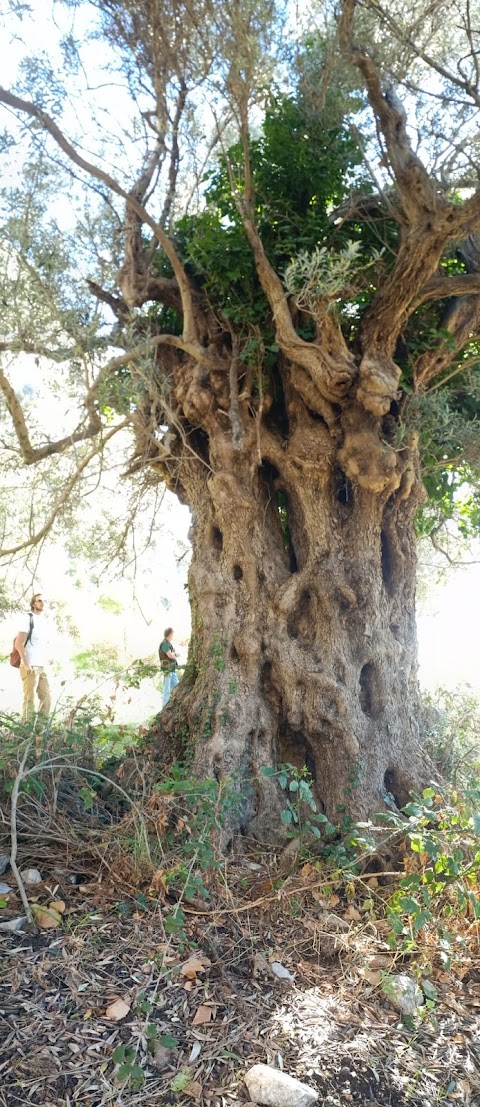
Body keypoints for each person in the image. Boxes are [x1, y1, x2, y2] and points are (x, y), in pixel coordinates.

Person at [14, 593, 52, 722]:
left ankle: (40, 733)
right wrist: (26, 663)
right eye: (39, 600)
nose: (42, 603)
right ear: (33, 603)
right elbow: (18, 643)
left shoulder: (45, 621)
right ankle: (27, 731)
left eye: (44, 601)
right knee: (30, 699)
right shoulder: (27, 618)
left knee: (46, 699)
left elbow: (43, 644)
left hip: (42, 666)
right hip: (30, 665)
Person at [159, 627, 179, 707]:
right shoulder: (164, 644)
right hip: (167, 669)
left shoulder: (168, 644)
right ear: (169, 634)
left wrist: (174, 652)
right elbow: (170, 656)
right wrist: (176, 655)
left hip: (172, 669)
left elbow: (171, 653)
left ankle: (173, 705)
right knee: (166, 689)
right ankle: (164, 706)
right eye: (172, 634)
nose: (173, 635)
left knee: (177, 686)